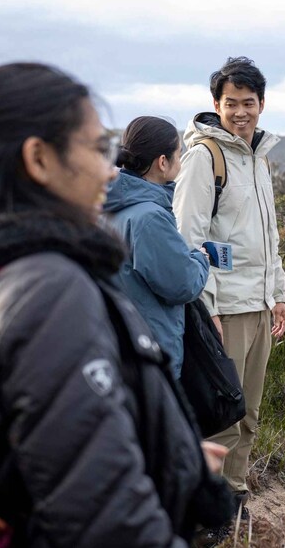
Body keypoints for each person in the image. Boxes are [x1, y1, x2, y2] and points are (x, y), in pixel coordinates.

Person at [0, 62, 233, 546]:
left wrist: (158, 457)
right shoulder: (49, 292)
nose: (109, 168)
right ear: (38, 159)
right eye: (96, 147)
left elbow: (42, 459)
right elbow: (109, 520)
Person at [173, 56, 285, 520]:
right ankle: (205, 509)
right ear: (215, 104)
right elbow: (189, 238)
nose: (240, 112)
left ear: (262, 104)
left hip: (260, 305)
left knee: (250, 413)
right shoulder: (205, 156)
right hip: (225, 309)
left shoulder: (259, 157)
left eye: (249, 103)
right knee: (221, 414)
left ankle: (234, 499)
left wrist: (278, 294)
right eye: (231, 103)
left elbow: (270, 235)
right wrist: (208, 309)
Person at [104, 116, 210, 378]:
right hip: (150, 353)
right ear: (163, 162)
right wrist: (200, 259)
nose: (181, 160)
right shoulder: (149, 217)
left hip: (116, 345)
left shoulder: (109, 206)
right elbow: (181, 284)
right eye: (178, 154)